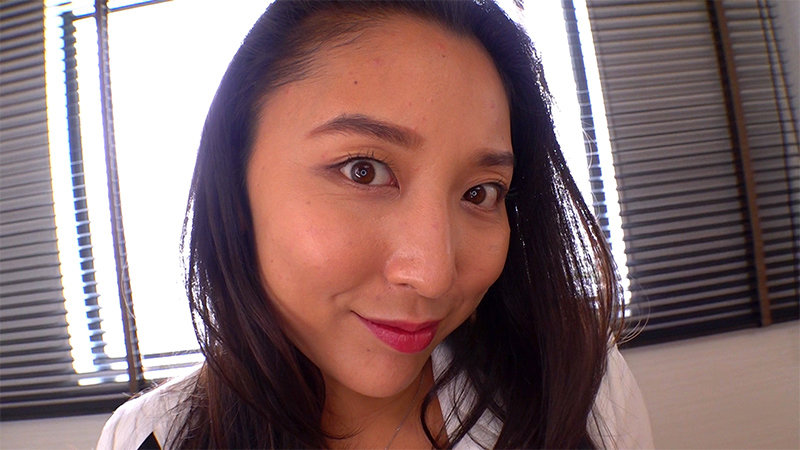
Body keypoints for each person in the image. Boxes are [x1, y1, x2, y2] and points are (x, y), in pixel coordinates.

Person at [98, 0, 653, 448]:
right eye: (363, 170)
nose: (433, 275)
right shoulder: (157, 436)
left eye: (480, 193)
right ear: (235, 190)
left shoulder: (580, 388)